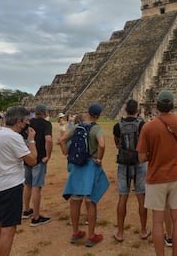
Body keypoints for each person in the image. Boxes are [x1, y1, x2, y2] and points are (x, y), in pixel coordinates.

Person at [137, 90, 177, 256]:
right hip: (176, 176)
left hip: (156, 177)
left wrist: (154, 154)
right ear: (172, 105)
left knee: (157, 220)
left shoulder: (148, 127)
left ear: (157, 106)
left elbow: (141, 157)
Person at [0, 106, 38, 256]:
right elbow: (32, 160)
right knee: (8, 229)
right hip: (10, 186)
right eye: (26, 121)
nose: (27, 125)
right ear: (19, 122)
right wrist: (31, 141)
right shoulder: (14, 137)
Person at [61, 103, 108, 247]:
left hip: (77, 167)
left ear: (88, 113)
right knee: (90, 201)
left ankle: (75, 232)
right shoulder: (97, 128)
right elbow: (101, 145)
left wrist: (67, 153)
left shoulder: (77, 127)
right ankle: (91, 235)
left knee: (75, 200)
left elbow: (62, 140)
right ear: (98, 115)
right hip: (91, 167)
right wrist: (99, 159)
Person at [112, 99, 150, 242]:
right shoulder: (142, 125)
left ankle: (120, 232)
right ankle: (144, 230)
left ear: (126, 110)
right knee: (141, 196)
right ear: (137, 111)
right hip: (139, 162)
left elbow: (117, 143)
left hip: (123, 163)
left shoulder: (118, 126)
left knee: (123, 196)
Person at [22, 104, 53, 226]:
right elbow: (49, 140)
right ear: (45, 113)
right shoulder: (46, 124)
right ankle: (36, 217)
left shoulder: (28, 123)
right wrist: (48, 155)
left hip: (27, 157)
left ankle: (26, 210)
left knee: (28, 185)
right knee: (36, 187)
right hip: (39, 159)